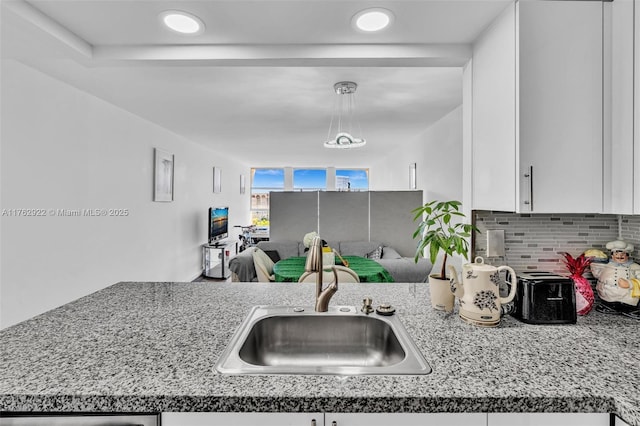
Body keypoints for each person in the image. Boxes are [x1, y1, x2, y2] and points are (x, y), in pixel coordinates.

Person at [591, 240, 640, 306]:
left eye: (623, 254)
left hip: (627, 298)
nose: (620, 256)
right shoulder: (606, 265)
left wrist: (630, 284)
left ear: (627, 256)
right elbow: (597, 275)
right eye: (616, 254)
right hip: (607, 296)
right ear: (612, 256)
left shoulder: (635, 267)